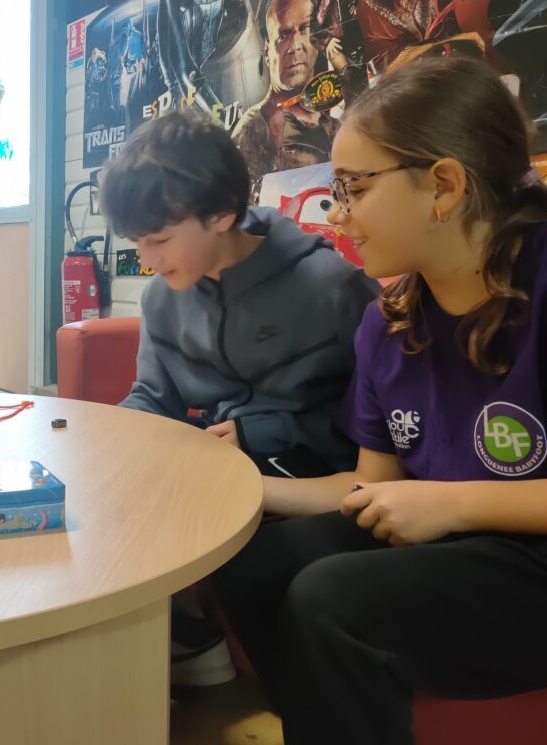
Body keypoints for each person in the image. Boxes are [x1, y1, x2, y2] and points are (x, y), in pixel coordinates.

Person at [213, 56, 547, 745]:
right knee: (250, 564)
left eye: (354, 188)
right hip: (458, 546)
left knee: (331, 601)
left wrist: (453, 503)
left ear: (444, 185)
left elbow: (431, 504)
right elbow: (372, 486)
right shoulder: (389, 321)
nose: (337, 213)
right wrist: (243, 488)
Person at [98, 107, 378, 685]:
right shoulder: (161, 299)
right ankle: (180, 644)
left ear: (222, 213)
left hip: (315, 475)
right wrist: (110, 442)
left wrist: (261, 433)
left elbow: (380, 421)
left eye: (160, 240)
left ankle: (279, 690)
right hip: (225, 465)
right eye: (137, 242)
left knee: (246, 556)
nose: (148, 260)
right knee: (102, 501)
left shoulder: (333, 289)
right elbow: (152, 398)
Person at [231, 0, 335, 197]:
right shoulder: (254, 128)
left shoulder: (332, 126)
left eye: (304, 29)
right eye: (284, 35)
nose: (294, 46)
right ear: (268, 50)